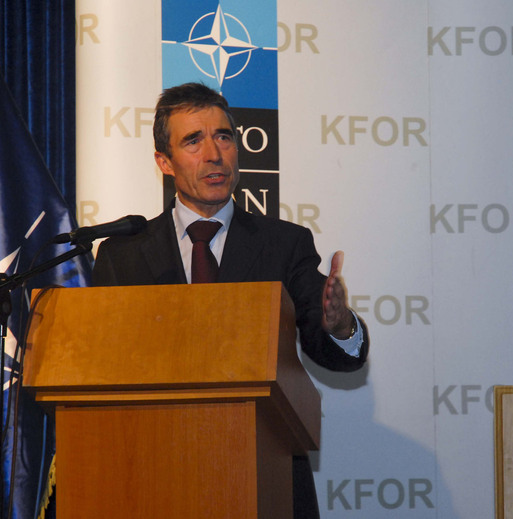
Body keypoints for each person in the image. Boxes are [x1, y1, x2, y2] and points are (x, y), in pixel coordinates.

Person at [92, 82, 370, 519]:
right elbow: (101, 368)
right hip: (152, 473)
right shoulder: (121, 255)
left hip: (265, 474)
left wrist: (339, 326)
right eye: (193, 140)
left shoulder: (284, 244)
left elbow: (327, 345)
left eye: (223, 136)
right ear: (164, 161)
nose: (214, 153)